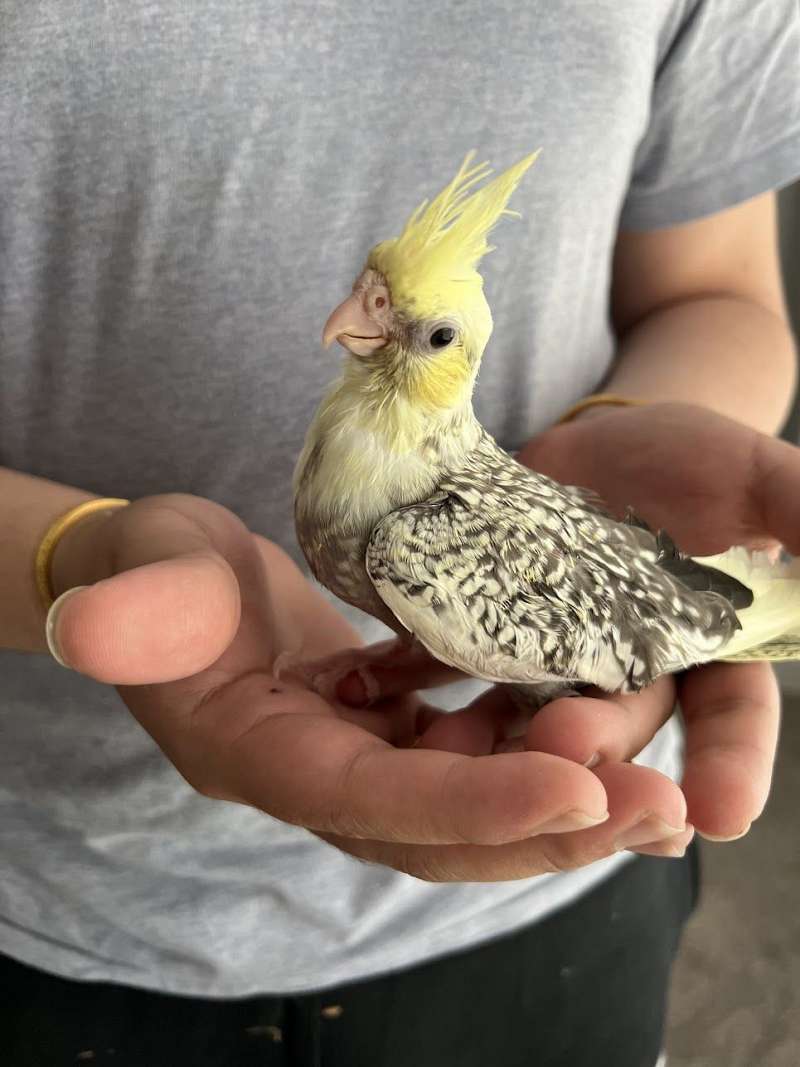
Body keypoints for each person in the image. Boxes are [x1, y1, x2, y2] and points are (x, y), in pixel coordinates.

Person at [1, 2, 799, 1064]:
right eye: (370, 294)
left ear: (455, 351)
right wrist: (65, 548)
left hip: (549, 922)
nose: (360, 320)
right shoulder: (366, 492)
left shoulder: (414, 542)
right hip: (57, 885)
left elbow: (713, 292)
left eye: (414, 329)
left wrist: (613, 451)